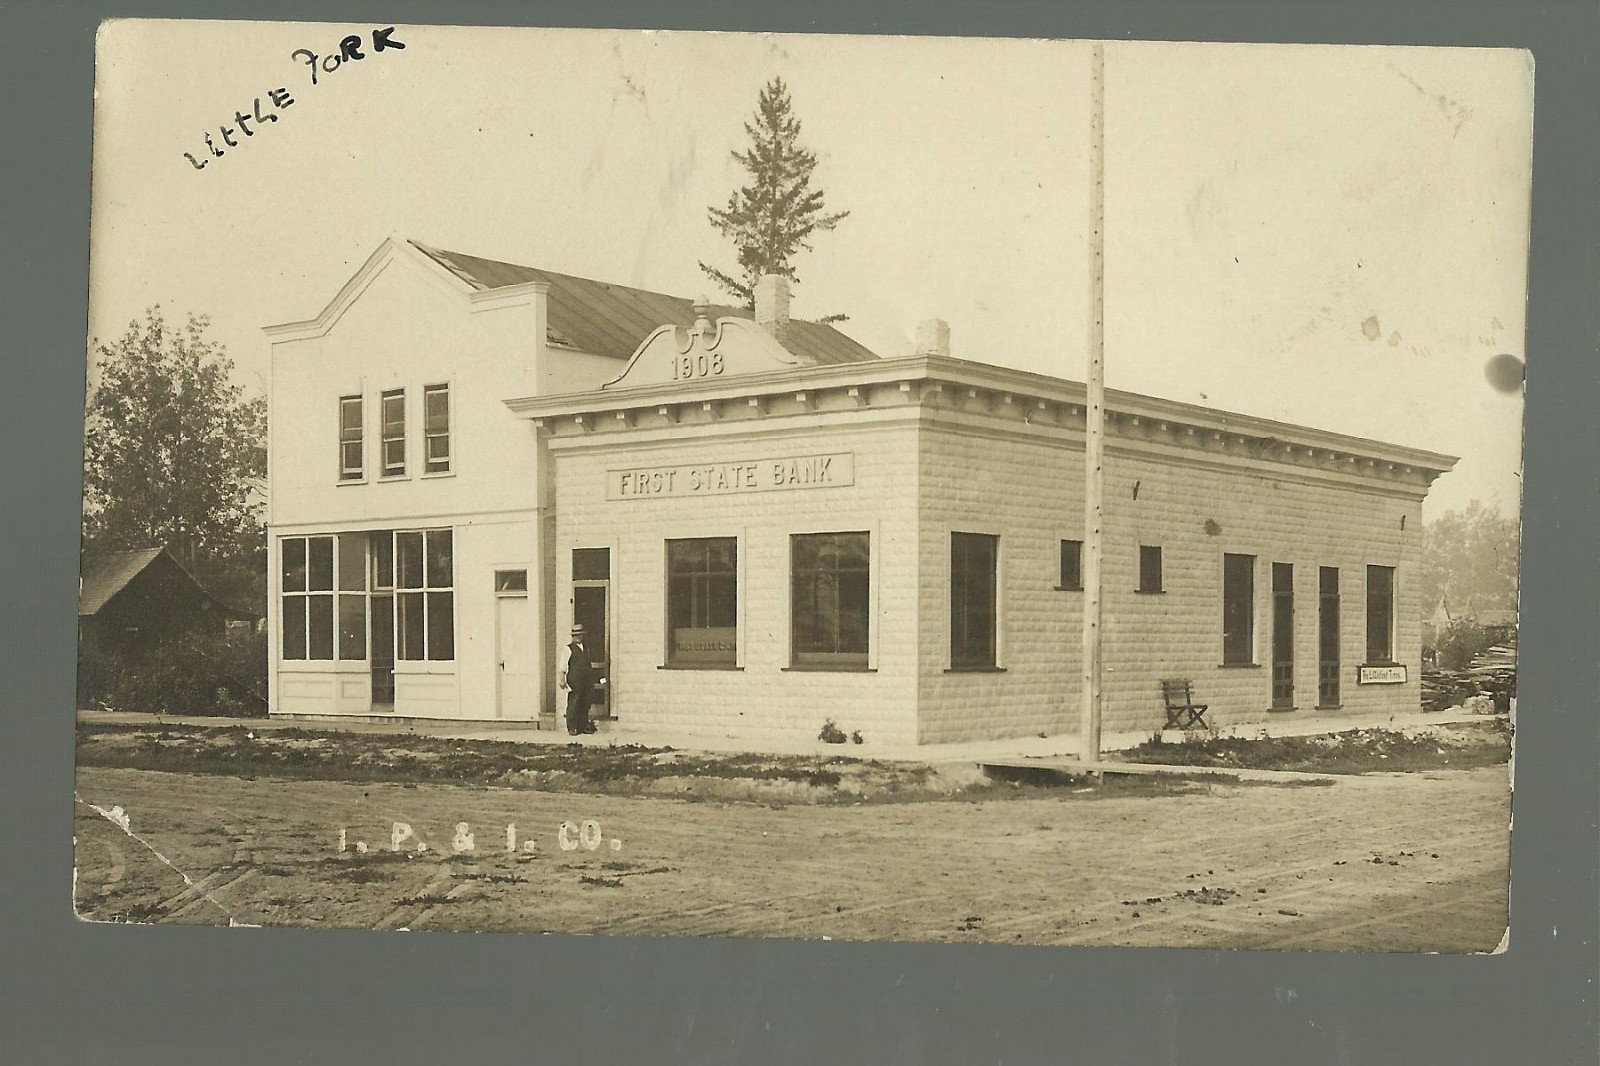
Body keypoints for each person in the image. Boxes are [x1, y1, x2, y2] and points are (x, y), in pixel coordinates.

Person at [561, 624, 600, 735]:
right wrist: (562, 680)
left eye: (580, 635)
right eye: (575, 635)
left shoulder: (586, 648)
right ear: (572, 636)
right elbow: (562, 666)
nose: (578, 637)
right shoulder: (568, 649)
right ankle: (572, 728)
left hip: (586, 680)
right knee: (574, 703)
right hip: (574, 680)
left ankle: (582, 726)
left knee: (585, 703)